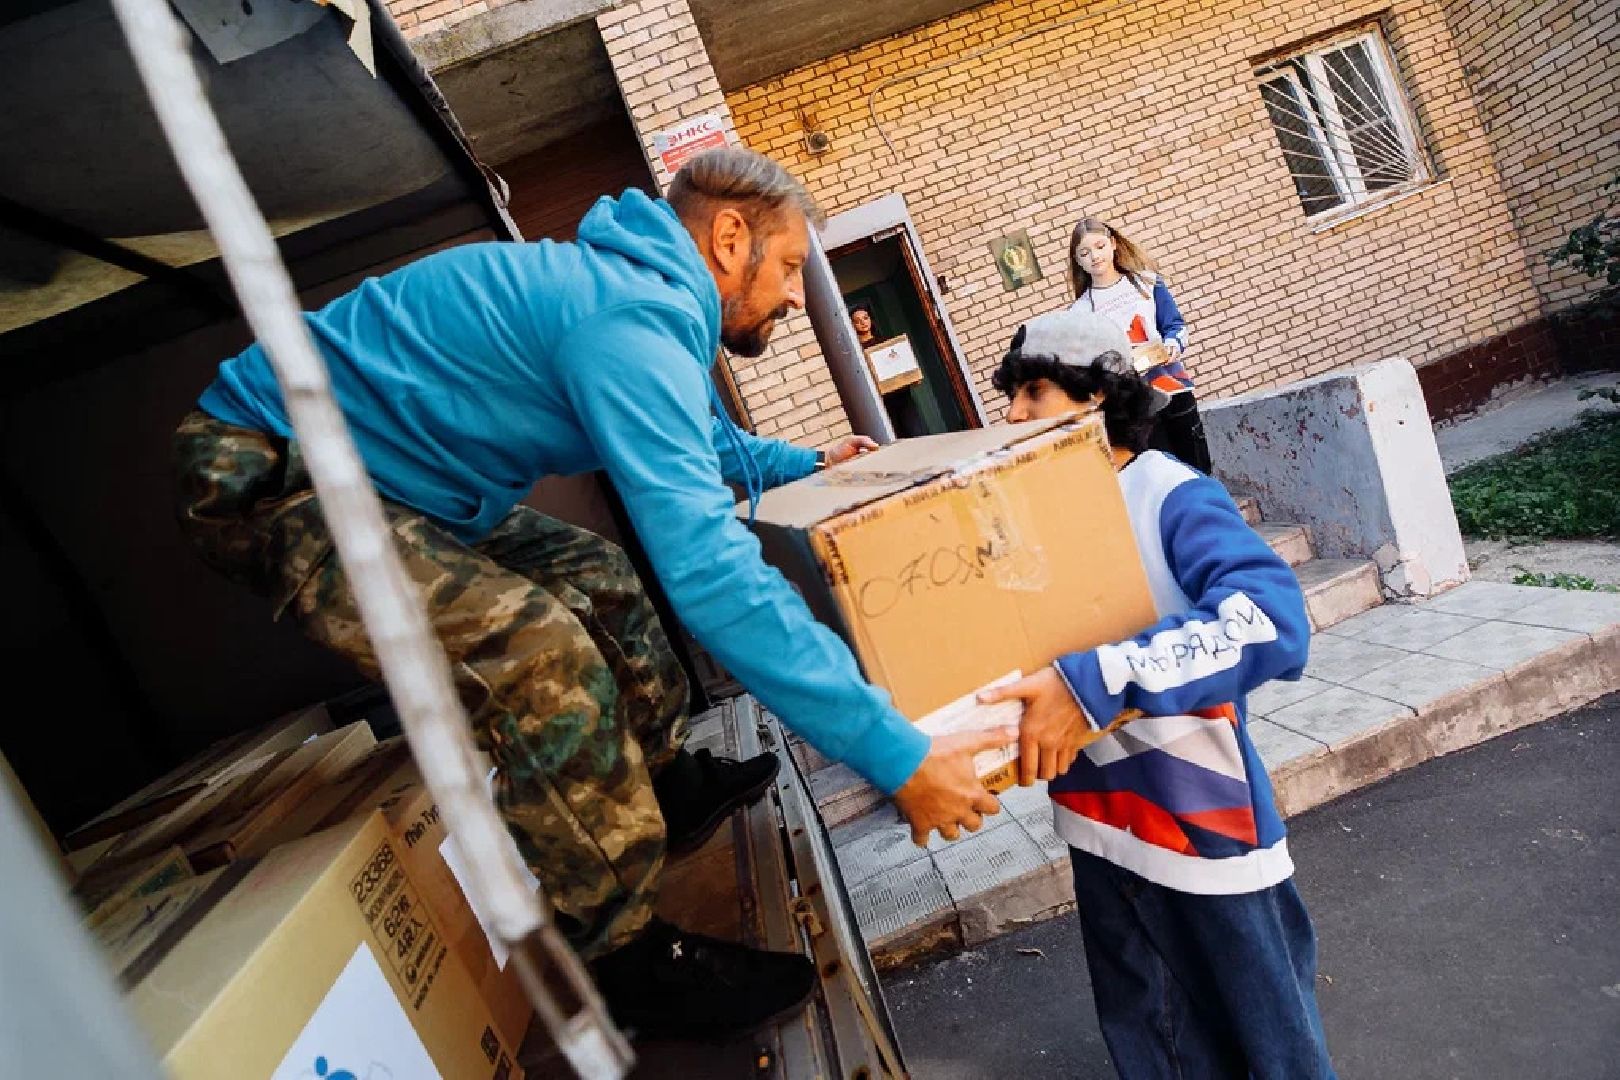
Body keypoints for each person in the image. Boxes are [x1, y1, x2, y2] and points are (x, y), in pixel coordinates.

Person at [173, 147, 1011, 1038]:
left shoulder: (641, 308)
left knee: (597, 576)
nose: (800, 297)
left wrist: (808, 462)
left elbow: (697, 445)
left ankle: (667, 783)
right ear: (731, 237)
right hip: (268, 468)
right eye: (794, 265)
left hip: (395, 484)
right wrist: (895, 753)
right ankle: (628, 961)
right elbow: (711, 572)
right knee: (537, 653)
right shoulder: (627, 321)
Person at [981, 309, 1336, 1078]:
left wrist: (1100, 681)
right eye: (1011, 393)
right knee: (1156, 1044)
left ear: (1096, 397)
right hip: (1099, 829)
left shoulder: (1170, 492)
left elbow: (1275, 621)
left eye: (1034, 391)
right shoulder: (1041, 515)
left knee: (1272, 1050)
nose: (1011, 414)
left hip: (1203, 830)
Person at [1067, 216, 1213, 473]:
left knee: (1199, 471)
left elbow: (1175, 326)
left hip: (1173, 390)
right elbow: (1086, 367)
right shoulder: (1079, 313)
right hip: (1133, 405)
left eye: (1099, 246)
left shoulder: (1147, 282)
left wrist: (1171, 346)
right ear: (1078, 261)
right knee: (1161, 478)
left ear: (1113, 244)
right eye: (1084, 253)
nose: (1094, 256)